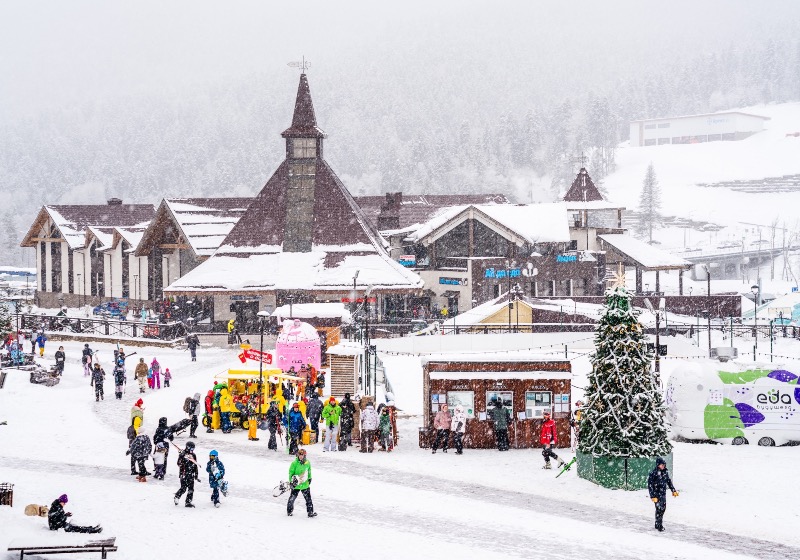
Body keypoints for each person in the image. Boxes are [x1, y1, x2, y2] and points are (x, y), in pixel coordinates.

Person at [648, 457, 678, 532]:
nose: (663, 466)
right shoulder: (653, 473)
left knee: (663, 509)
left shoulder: (665, 472)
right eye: (661, 465)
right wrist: (652, 496)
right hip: (656, 494)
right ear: (658, 465)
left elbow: (668, 481)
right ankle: (659, 525)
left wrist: (673, 490)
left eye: (663, 465)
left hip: (663, 494)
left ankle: (657, 523)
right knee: (659, 509)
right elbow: (650, 485)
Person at [287, 449, 316, 517]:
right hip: (296, 484)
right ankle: (289, 511)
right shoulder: (294, 463)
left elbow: (309, 471)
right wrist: (291, 481)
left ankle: (310, 512)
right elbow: (290, 473)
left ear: (304, 455)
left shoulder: (307, 463)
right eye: (299, 454)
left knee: (308, 499)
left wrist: (309, 478)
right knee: (292, 498)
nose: (300, 456)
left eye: (302, 455)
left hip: (304, 484)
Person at [174, 441, 200, 507]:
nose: (192, 450)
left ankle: (188, 502)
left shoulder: (193, 455)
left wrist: (196, 475)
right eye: (191, 449)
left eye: (193, 449)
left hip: (191, 474)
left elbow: (195, 465)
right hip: (184, 474)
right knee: (183, 488)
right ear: (188, 448)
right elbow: (178, 464)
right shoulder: (182, 454)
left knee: (191, 489)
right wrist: (182, 457)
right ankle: (177, 497)